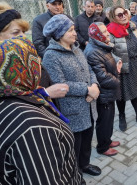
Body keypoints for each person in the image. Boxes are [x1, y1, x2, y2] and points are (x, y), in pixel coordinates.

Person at [0, 37, 81, 184]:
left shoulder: (1, 100)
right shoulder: (33, 128)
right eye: (34, 59)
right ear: (23, 68)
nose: (39, 63)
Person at [42, 14, 102, 178]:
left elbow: (89, 70)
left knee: (87, 141)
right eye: (70, 30)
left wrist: (95, 86)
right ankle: (74, 173)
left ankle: (85, 164)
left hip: (89, 105)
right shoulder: (51, 55)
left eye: (74, 29)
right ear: (59, 34)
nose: (75, 33)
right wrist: (87, 90)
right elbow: (60, 84)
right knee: (74, 145)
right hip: (72, 111)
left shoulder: (76, 48)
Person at [0, 2, 69, 101]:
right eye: (16, 32)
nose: (23, 37)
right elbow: (10, 100)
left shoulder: (27, 59)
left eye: (23, 32)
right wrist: (45, 93)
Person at [107, 6, 137, 132]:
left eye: (125, 13)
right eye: (119, 15)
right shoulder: (110, 31)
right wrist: (117, 61)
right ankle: (122, 116)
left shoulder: (132, 25)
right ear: (113, 18)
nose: (123, 16)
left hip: (135, 65)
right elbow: (108, 51)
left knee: (136, 92)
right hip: (121, 68)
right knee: (121, 95)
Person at [84, 22, 122, 156]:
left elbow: (108, 59)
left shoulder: (100, 46)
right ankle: (103, 147)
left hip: (108, 92)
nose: (108, 34)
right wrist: (118, 81)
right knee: (104, 121)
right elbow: (102, 77)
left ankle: (107, 140)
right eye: (104, 32)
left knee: (109, 119)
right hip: (103, 94)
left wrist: (116, 61)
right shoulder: (93, 51)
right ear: (97, 35)